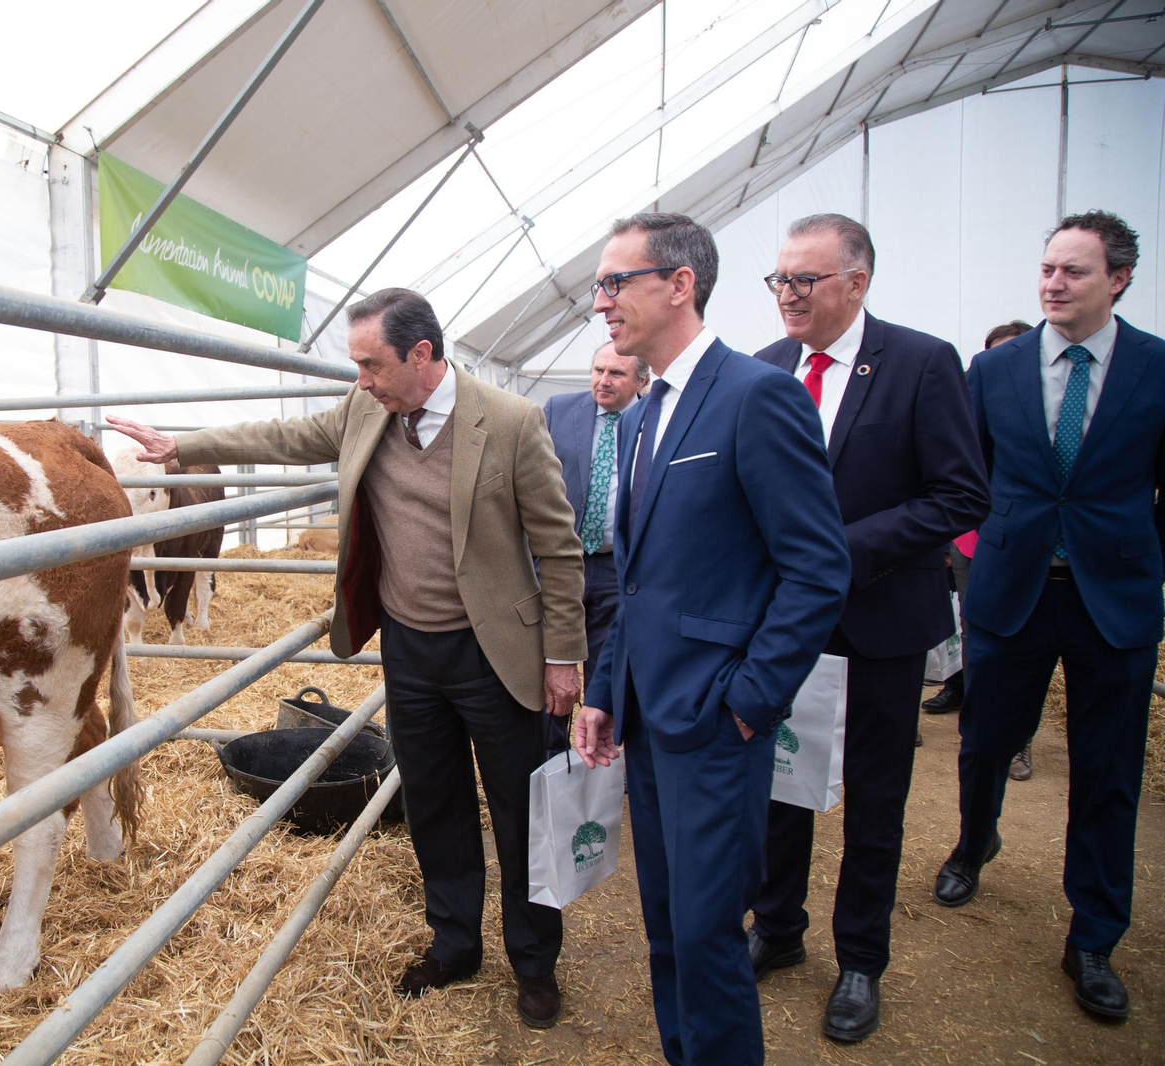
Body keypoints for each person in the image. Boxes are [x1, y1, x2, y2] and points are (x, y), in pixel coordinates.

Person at [107, 287, 587, 1030]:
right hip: (411, 649)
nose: (359, 378)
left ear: (421, 355)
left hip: (496, 651)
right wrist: (184, 448)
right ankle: (455, 944)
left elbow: (558, 550)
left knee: (521, 809)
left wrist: (563, 658)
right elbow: (285, 437)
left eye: (371, 363)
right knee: (434, 801)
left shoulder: (514, 423)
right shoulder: (368, 410)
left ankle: (534, 961)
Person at [573, 213, 849, 1066]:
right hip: (651, 716)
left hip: (715, 723)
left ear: (679, 283)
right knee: (666, 929)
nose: (600, 302)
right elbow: (639, 581)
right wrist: (601, 690)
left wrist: (750, 701)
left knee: (706, 936)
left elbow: (817, 568)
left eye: (616, 281)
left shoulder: (753, 395)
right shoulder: (649, 408)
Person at [747, 214, 990, 1043]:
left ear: (856, 282)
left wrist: (836, 553)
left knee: (873, 799)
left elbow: (961, 496)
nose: (786, 294)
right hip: (782, 630)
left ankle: (860, 959)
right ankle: (778, 929)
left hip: (880, 621)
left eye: (803, 280)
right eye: (778, 279)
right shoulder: (764, 369)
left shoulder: (923, 364)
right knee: (780, 784)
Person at [933, 211, 1165, 1023]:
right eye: (1047, 269)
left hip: (1115, 601)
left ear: (1119, 279)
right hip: (1011, 593)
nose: (1053, 284)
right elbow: (970, 477)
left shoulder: (1157, 368)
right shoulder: (993, 371)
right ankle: (973, 842)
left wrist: (1134, 553)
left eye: (1073, 271)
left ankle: (1094, 937)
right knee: (985, 742)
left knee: (1109, 776)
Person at [925, 320, 1036, 781]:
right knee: (975, 630)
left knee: (1024, 643)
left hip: (1032, 542)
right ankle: (963, 692)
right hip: (978, 538)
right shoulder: (981, 393)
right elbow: (961, 469)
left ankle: (1019, 741)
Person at [540, 341, 646, 755]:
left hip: (616, 567)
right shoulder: (557, 411)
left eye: (616, 373)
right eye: (598, 369)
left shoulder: (654, 419)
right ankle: (550, 758)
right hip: (560, 562)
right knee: (552, 663)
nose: (603, 380)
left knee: (609, 665)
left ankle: (602, 754)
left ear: (641, 380)